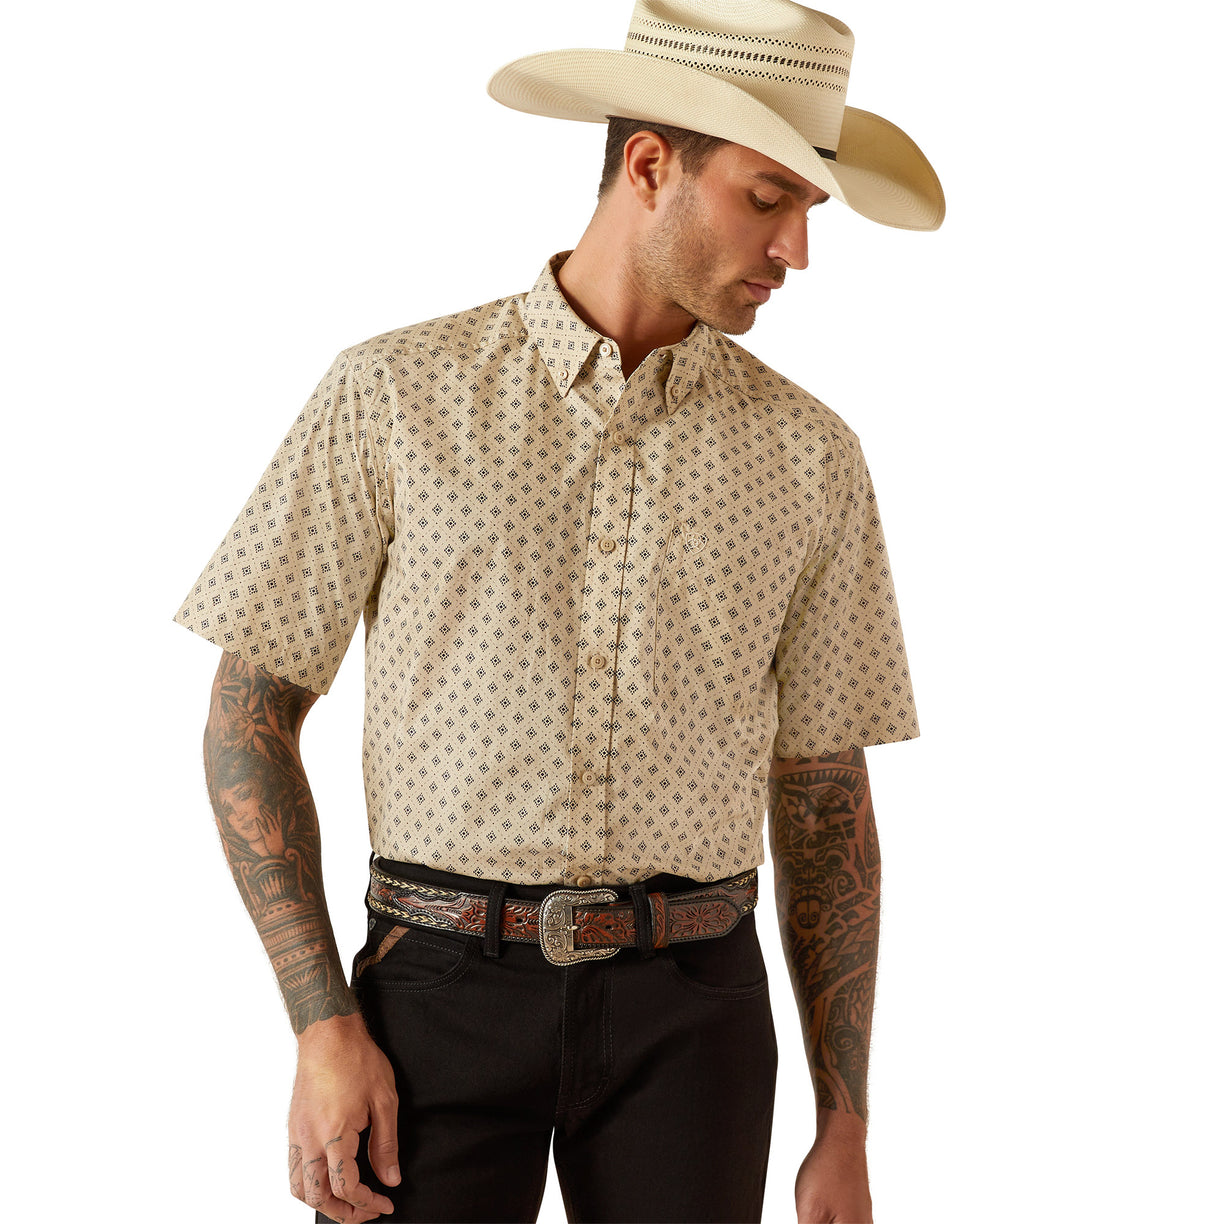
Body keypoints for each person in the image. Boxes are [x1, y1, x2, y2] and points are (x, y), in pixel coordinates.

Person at [176, 2, 943, 1221]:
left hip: (696, 1014)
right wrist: (324, 1029)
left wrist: (843, 1118)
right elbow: (248, 716)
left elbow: (824, 795)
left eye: (811, 210)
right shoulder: (394, 395)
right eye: (768, 198)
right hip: (430, 1002)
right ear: (650, 165)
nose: (798, 249)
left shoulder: (813, 458)